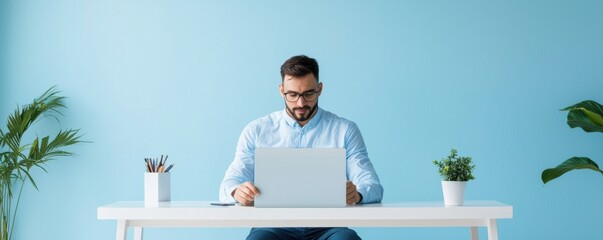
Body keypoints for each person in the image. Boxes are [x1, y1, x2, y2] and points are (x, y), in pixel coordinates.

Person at [219, 55, 383, 240]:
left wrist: (358, 194)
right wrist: (237, 191)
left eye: (308, 94)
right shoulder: (256, 131)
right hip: (272, 227)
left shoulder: (345, 130)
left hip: (329, 228)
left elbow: (373, 185)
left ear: (320, 89)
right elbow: (228, 185)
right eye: (292, 95)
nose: (301, 103)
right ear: (281, 91)